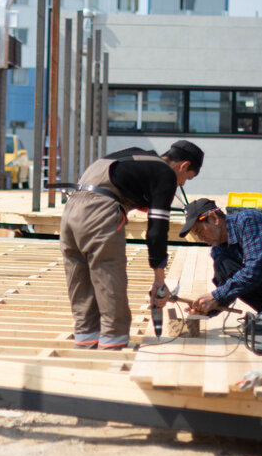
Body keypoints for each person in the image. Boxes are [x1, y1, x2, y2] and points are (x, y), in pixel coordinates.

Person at [59, 141, 203, 350]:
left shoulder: (132, 156)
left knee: (79, 280)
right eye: (186, 178)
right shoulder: (166, 175)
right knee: (109, 276)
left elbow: (125, 185)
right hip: (100, 213)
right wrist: (159, 280)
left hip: (71, 210)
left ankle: (85, 339)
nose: (181, 184)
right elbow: (157, 230)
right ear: (184, 165)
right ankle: (113, 343)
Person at [181, 198, 262, 315]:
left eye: (199, 230)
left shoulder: (247, 221)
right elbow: (226, 289)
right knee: (222, 264)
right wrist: (205, 309)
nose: (200, 237)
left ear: (214, 218)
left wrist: (216, 296)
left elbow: (255, 270)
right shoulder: (218, 249)